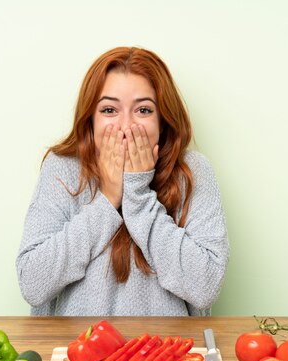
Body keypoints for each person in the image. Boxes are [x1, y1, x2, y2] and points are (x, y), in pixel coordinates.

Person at [16, 46, 229, 316]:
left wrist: (137, 195)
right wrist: (108, 197)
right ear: (90, 120)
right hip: (77, 352)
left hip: (169, 353)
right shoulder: (62, 168)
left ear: (163, 121)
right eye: (109, 110)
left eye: (143, 110)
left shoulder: (194, 171)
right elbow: (33, 284)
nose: (126, 127)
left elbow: (205, 286)